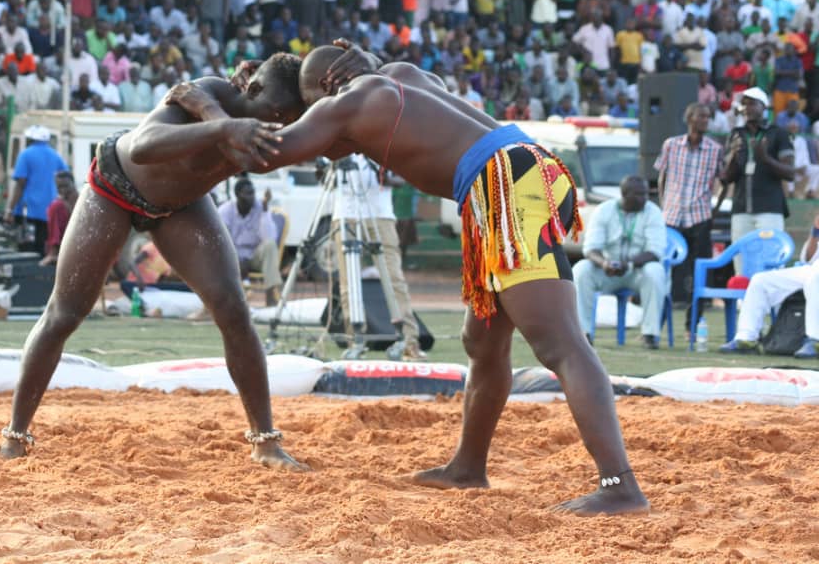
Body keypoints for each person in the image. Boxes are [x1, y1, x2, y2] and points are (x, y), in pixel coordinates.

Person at [174, 45, 649, 515]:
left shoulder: (347, 104)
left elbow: (265, 155)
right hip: (518, 172)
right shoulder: (402, 76)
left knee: (559, 345)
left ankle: (619, 485)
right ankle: (467, 466)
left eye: (309, 110)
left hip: (504, 184)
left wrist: (207, 108)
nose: (316, 126)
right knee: (482, 340)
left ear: (325, 88)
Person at [0, 53, 321, 472]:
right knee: (65, 313)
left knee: (232, 306)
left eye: (286, 120)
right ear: (253, 90)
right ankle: (15, 435)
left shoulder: (249, 116)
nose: (275, 127)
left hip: (182, 206)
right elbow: (145, 147)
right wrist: (221, 124)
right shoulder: (203, 92)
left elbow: (339, 128)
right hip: (114, 187)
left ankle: (265, 442)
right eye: (273, 116)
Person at [331, 153, 425, 361]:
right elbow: (324, 180)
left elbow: (401, 179)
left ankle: (410, 341)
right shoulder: (339, 144)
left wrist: (381, 172)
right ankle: (354, 341)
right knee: (348, 284)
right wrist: (330, 166)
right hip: (346, 214)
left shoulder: (381, 146)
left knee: (394, 279)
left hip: (380, 213)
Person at [572, 176, 668, 349]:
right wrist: (604, 263)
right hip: (608, 271)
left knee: (655, 270)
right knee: (581, 269)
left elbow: (655, 251)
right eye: (639, 194)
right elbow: (590, 249)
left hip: (637, 271)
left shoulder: (652, 211)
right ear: (624, 194)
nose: (644, 198)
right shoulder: (604, 210)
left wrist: (628, 264)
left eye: (645, 194)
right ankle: (583, 334)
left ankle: (650, 334)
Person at [655, 103, 722, 325]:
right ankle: (657, 322)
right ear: (690, 118)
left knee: (698, 271)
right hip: (672, 216)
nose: (705, 120)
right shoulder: (671, 145)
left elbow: (721, 181)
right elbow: (661, 177)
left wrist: (715, 208)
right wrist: (664, 205)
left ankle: (691, 323)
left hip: (700, 216)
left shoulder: (714, 149)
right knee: (666, 270)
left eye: (708, 117)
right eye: (701, 116)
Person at [719, 212, 819, 359]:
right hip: (813, 269)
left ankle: (815, 340)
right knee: (761, 280)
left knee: (814, 279)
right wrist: (815, 231)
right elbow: (808, 259)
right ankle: (747, 339)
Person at [719, 87, 794, 272]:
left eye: (752, 103)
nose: (747, 108)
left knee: (772, 259)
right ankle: (743, 301)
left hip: (769, 208)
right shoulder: (736, 134)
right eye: (744, 104)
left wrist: (765, 158)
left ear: (764, 106)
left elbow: (790, 173)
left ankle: (773, 303)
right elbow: (727, 177)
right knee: (741, 261)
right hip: (741, 209)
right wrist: (734, 155)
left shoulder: (779, 133)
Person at [2, 125, 69, 255]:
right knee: (43, 246)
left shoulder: (25, 154)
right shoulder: (56, 156)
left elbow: (20, 184)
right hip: (50, 210)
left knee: (26, 249)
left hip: (29, 210)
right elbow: (66, 178)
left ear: (30, 139)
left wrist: (9, 209)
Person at [218, 178, 282, 307]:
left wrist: (264, 210)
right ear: (237, 195)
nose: (252, 197)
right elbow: (221, 241)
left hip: (254, 256)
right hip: (232, 257)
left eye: (253, 193)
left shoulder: (260, 207)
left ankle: (271, 295)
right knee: (218, 250)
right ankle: (222, 301)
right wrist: (236, 259)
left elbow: (270, 237)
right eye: (247, 193)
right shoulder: (225, 210)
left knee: (270, 245)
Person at [40, 171, 78, 267]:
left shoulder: (82, 201)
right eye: (59, 187)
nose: (62, 190)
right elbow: (55, 232)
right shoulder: (59, 203)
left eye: (65, 186)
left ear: (73, 183)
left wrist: (53, 254)